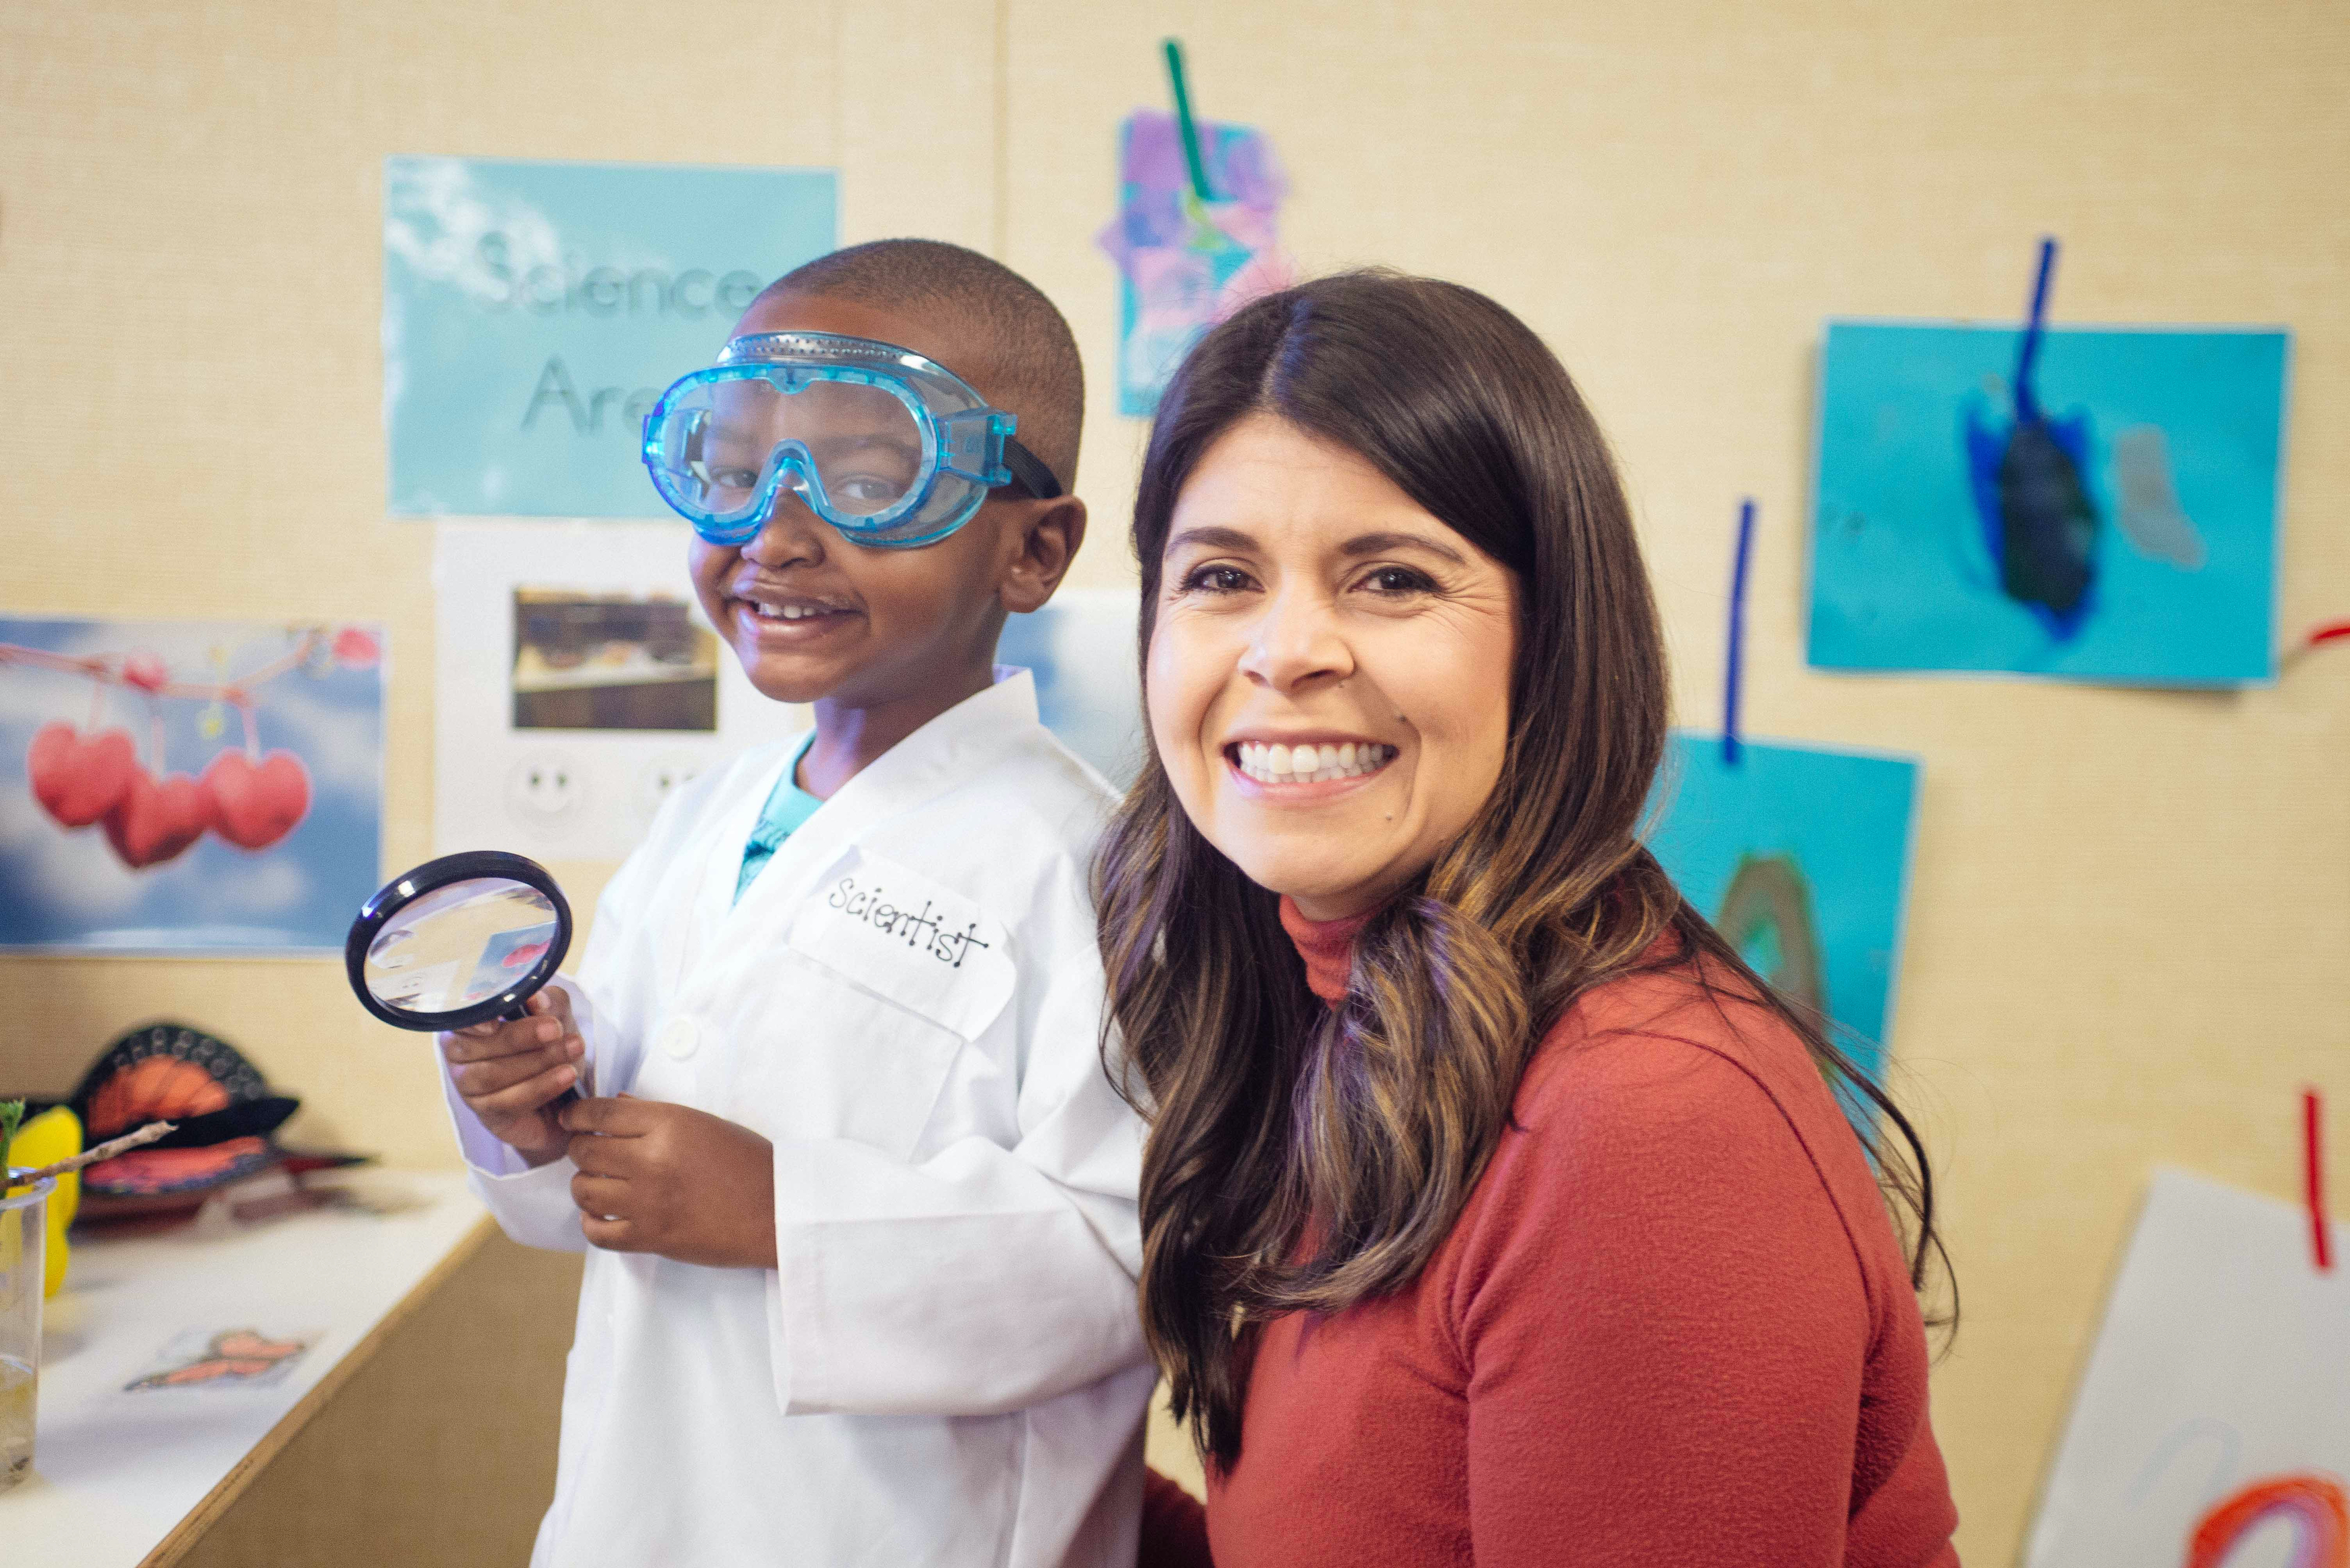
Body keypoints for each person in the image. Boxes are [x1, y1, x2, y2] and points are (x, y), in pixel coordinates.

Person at [1101, 272, 1962, 1566]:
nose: (1285, 653)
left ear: (1550, 642)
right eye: (1221, 575)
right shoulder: (1344, 1021)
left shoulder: (1642, 1126)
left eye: (1391, 579)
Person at [436, 240, 1156, 1567]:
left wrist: (783, 1212)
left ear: (1034, 549)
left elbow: (1126, 1267)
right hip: (631, 1515)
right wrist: (527, 1116)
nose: (773, 532)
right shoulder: (702, 818)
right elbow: (582, 1204)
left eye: (873, 479)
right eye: (730, 471)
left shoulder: (1094, 871)